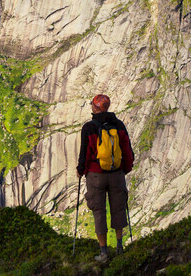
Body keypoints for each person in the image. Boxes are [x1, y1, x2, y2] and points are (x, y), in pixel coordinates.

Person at [76, 93, 134, 263]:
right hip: (116, 174)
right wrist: (126, 169)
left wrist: (81, 170)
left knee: (99, 212)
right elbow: (127, 151)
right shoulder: (119, 125)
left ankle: (103, 253)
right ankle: (119, 246)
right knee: (118, 208)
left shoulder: (89, 128)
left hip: (96, 175)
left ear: (95, 108)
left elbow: (84, 153)